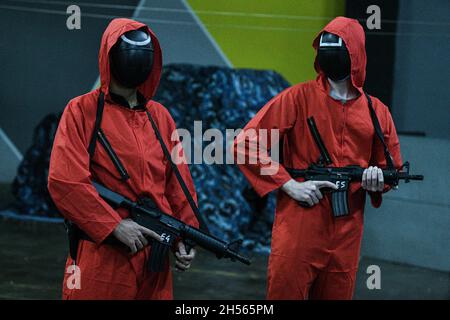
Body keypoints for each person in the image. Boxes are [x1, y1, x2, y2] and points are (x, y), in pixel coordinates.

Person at [234, 17, 402, 299]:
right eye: (324, 48)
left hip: (346, 232)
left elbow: (390, 170)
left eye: (338, 47)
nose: (329, 54)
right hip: (300, 224)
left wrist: (378, 181)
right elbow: (244, 145)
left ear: (356, 53)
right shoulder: (297, 98)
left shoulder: (377, 111)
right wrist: (289, 184)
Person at [48, 18, 198, 300]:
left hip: (155, 258)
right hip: (104, 255)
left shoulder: (160, 117)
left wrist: (185, 236)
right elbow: (64, 180)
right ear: (110, 56)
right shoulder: (82, 111)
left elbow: (180, 185)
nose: (137, 59)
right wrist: (113, 225)